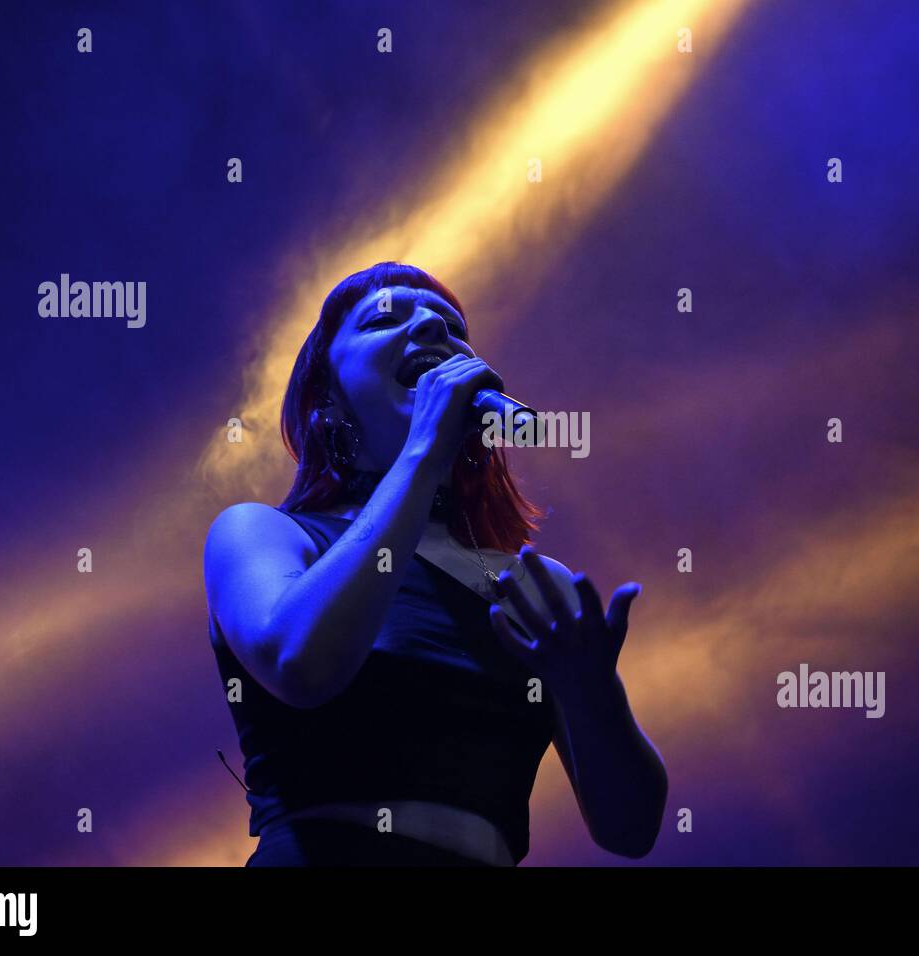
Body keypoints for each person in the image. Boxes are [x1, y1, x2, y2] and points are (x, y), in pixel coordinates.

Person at [203, 261, 667, 866]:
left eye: (451, 326)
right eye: (383, 320)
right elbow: (300, 662)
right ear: (326, 397)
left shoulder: (527, 584)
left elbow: (630, 830)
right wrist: (424, 450)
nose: (429, 326)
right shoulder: (262, 533)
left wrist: (592, 691)